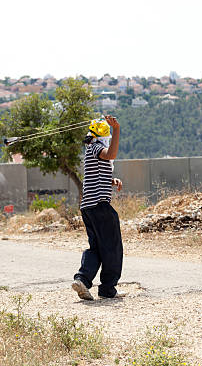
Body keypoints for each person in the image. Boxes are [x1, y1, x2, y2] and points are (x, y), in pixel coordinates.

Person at [72, 115, 124, 300]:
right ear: (103, 137)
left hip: (88, 208)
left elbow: (96, 175)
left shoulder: (90, 149)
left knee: (96, 248)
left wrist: (111, 180)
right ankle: (108, 289)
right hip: (100, 207)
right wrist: (117, 129)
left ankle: (82, 280)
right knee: (112, 248)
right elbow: (111, 155)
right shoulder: (97, 147)